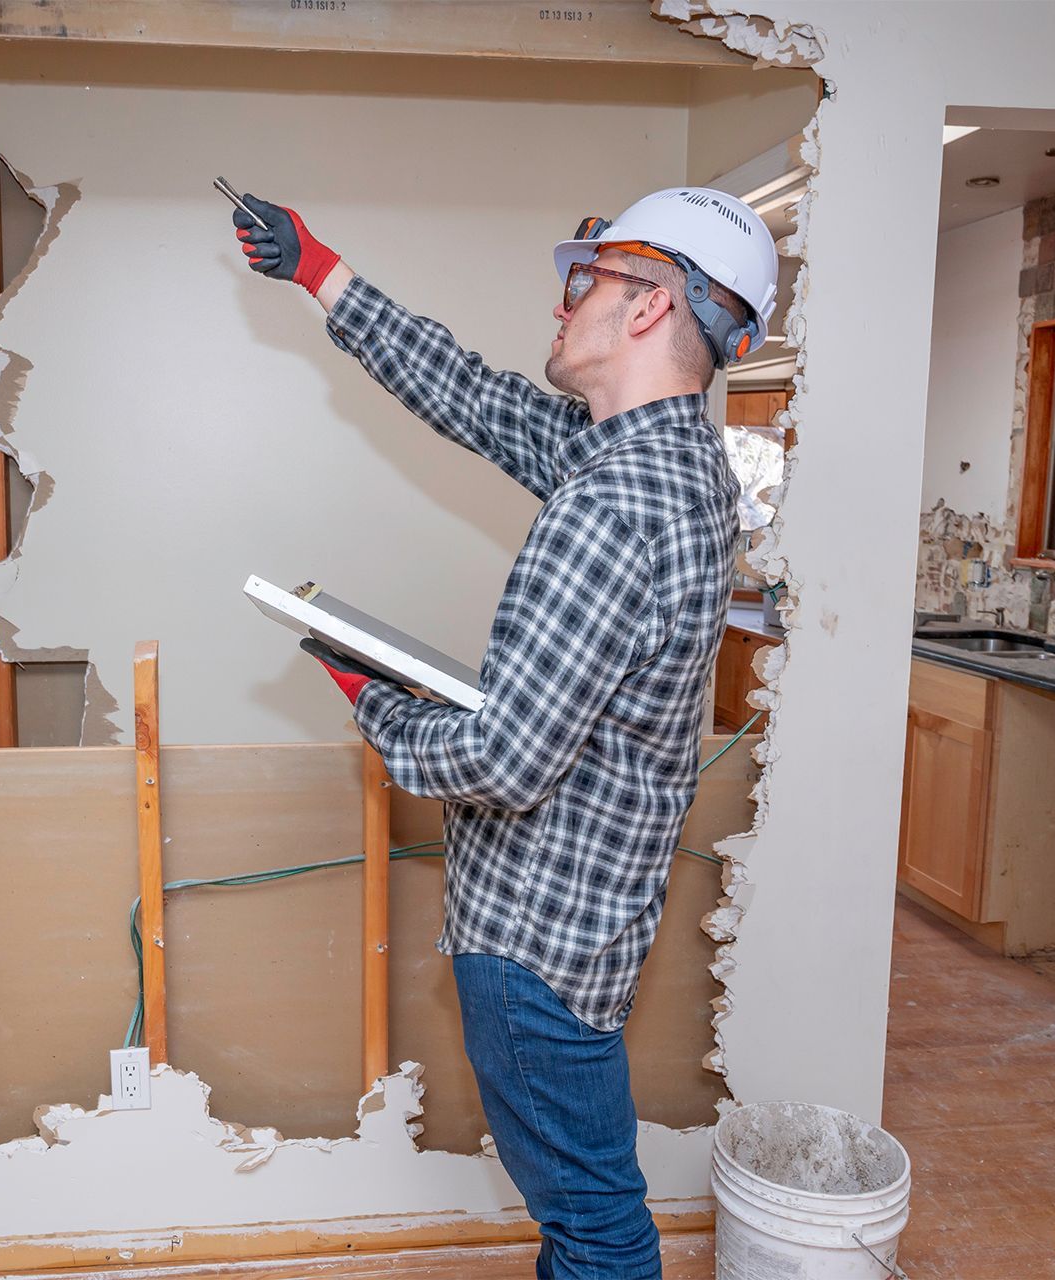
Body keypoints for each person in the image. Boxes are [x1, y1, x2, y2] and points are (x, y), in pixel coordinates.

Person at [230, 187, 777, 1280]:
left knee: (597, 1231)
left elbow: (504, 761)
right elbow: (476, 397)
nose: (564, 302)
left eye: (588, 280)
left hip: (535, 943)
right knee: (594, 1213)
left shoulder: (612, 505)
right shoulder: (673, 467)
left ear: (648, 307)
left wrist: (370, 695)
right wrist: (320, 270)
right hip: (589, 926)